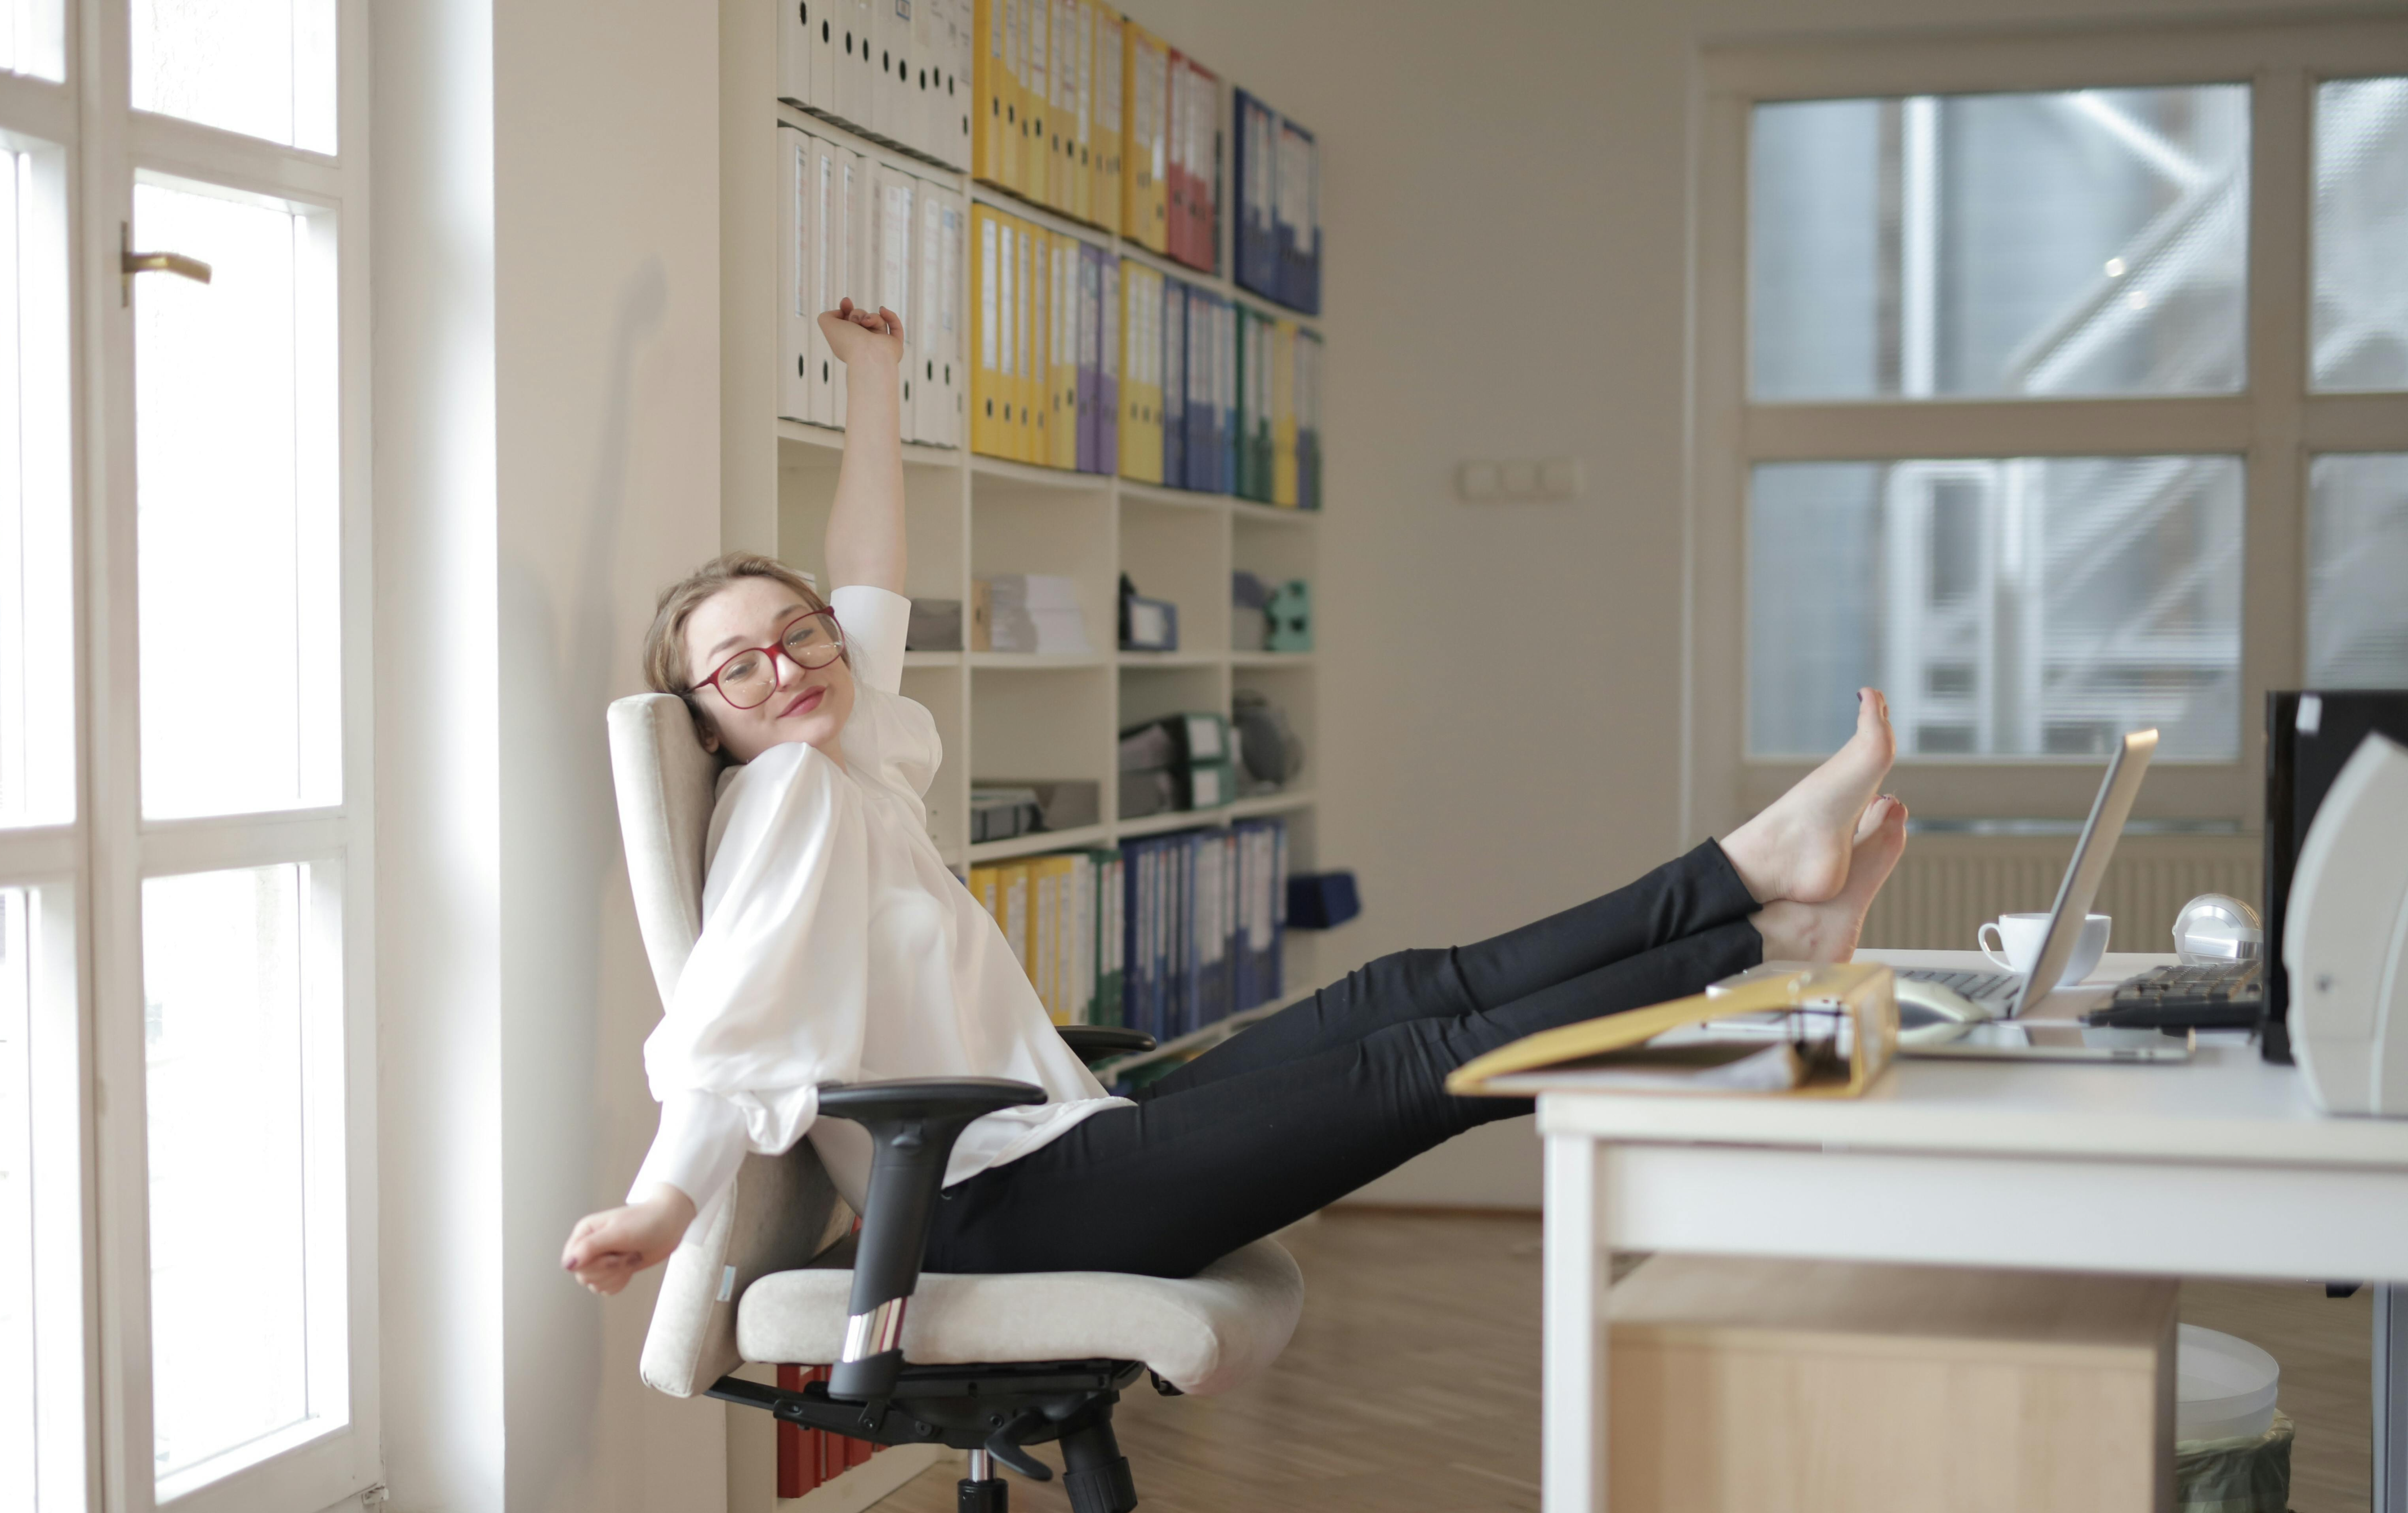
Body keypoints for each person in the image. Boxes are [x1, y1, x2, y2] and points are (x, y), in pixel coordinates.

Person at [563, 301, 1908, 1294]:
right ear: (707, 718)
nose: (789, 665)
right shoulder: (790, 793)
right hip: (997, 1211)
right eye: (741, 665)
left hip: (1065, 1138)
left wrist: (871, 380)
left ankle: (1756, 892)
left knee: (1398, 993)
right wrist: (661, 1209)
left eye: (800, 634)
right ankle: (1758, 938)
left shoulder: (843, 751)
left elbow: (869, 585)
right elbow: (727, 1029)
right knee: (1416, 1064)